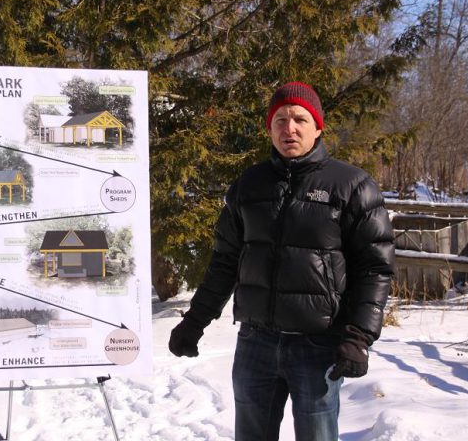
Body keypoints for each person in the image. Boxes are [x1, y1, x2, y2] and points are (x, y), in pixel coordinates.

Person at [168, 82, 395, 441]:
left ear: (318, 127)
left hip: (318, 346)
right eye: (280, 120)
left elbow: (375, 268)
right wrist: (194, 322)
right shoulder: (248, 186)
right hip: (256, 343)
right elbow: (225, 262)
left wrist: (358, 337)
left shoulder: (352, 186)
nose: (290, 128)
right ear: (269, 128)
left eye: (300, 119)